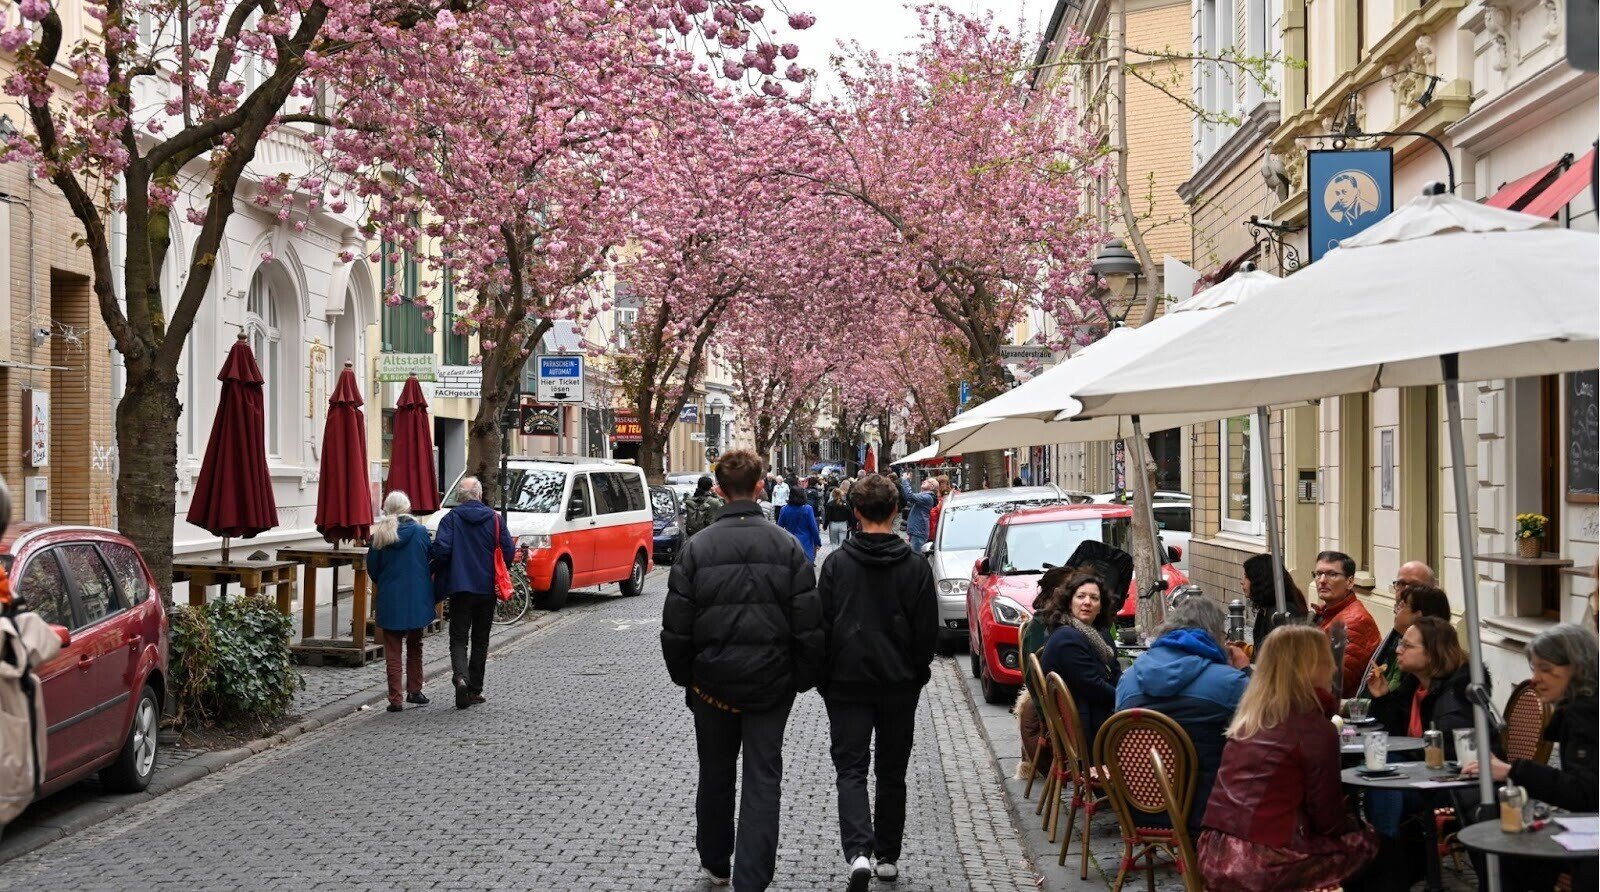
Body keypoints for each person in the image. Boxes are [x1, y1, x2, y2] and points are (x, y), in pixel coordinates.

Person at [661, 449, 825, 892]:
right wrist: (799, 678)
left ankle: (716, 860)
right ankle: (752, 877)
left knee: (715, 772)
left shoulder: (697, 548)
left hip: (711, 685)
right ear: (759, 487)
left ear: (718, 489)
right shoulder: (786, 547)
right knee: (763, 777)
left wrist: (688, 678)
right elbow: (809, 625)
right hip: (771, 685)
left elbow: (676, 627)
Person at [816, 473, 938, 889]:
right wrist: (916, 671)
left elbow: (821, 626)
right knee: (892, 770)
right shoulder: (915, 567)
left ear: (855, 513)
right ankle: (887, 854)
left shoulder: (836, 565)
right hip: (898, 683)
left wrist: (824, 676)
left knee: (851, 770)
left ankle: (859, 853)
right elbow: (926, 631)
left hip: (846, 682)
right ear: (897, 511)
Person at [1197, 625, 1377, 892]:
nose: (1333, 668)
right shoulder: (1313, 728)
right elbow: (1328, 819)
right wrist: (1358, 826)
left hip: (1215, 851)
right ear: (1311, 668)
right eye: (1327, 660)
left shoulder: (1250, 720)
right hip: (1262, 861)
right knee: (1372, 846)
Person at [1465, 623, 1598, 892]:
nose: (1535, 679)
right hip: (1586, 834)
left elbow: (1587, 792)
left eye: (1546, 669)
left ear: (1578, 668)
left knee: (1500, 853)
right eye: (1534, 668)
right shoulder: (1582, 708)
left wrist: (1513, 771)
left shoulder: (1584, 713)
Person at [1356, 616, 1478, 889]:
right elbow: (1392, 736)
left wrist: (1400, 763)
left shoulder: (1457, 695)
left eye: (1407, 646)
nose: (1398, 650)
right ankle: (1386, 860)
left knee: (1384, 782)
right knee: (1382, 775)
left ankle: (1385, 862)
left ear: (1432, 654)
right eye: (1401, 644)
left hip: (1453, 785)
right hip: (1418, 775)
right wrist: (1383, 698)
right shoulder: (1414, 686)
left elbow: (1449, 757)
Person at [1116, 597, 1250, 828]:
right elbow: (1268, 717)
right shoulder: (1228, 681)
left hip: (1138, 807)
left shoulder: (1127, 679)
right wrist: (1245, 670)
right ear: (1216, 634)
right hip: (1205, 809)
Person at [429, 476, 515, 710]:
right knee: (480, 639)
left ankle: (460, 678)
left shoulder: (451, 519)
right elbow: (508, 550)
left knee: (458, 637)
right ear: (479, 494)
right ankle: (475, 690)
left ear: (460, 497)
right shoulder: (494, 519)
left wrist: (435, 568)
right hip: (487, 589)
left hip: (460, 587)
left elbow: (442, 550)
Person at [366, 491, 434, 712]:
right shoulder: (420, 532)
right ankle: (415, 690)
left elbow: (373, 569)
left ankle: (395, 699)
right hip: (416, 597)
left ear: (387, 508)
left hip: (390, 598)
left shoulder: (380, 535)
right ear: (407, 508)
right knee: (415, 645)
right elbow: (429, 559)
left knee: (393, 650)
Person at [1039, 568, 1121, 744]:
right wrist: (1127, 698)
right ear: (1069, 602)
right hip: (1089, 731)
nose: (1087, 602)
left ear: (1101, 607)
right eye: (1081, 596)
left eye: (1094, 598)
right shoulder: (1066, 638)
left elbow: (1114, 671)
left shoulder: (1096, 634)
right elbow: (1094, 686)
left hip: (1097, 717)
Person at [1016, 567, 1075, 777]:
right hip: (1058, 705)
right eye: (1074, 590)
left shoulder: (1070, 623)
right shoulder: (1044, 627)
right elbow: (1037, 679)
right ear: (1058, 593)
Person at [1359, 578, 1449, 701]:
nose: (1398, 650)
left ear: (1419, 617)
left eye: (1402, 606)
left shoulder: (1416, 670)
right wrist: (1383, 697)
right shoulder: (1414, 678)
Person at [1310, 550, 1381, 698]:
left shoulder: (1354, 621)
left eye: (1332, 574)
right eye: (1318, 574)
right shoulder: (1328, 613)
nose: (1322, 580)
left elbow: (1334, 682)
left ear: (1350, 582)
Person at [1242, 553, 1309, 655]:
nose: (1242, 582)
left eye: (1247, 577)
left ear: (1259, 581)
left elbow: (1281, 656)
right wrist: (1246, 650)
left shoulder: (1282, 614)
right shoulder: (1265, 610)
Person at [777, 488, 822, 562]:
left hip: (790, 543)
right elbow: (814, 528)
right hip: (805, 544)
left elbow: (779, 528)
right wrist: (818, 542)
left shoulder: (784, 509)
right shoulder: (808, 509)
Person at [896, 473, 938, 553]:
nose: (924, 481)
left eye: (928, 481)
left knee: (916, 556)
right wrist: (906, 481)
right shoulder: (924, 495)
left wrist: (905, 480)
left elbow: (910, 496)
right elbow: (908, 497)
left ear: (932, 487)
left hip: (918, 532)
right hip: (916, 531)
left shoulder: (928, 497)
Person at [683, 476, 724, 540]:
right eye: (713, 484)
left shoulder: (690, 500)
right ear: (710, 487)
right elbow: (723, 507)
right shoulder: (714, 502)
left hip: (692, 536)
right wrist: (714, 493)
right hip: (708, 536)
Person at [926, 475, 954, 544]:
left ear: (947, 484)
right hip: (934, 529)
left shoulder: (953, 494)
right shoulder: (933, 496)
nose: (942, 485)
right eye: (940, 483)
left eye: (943, 483)